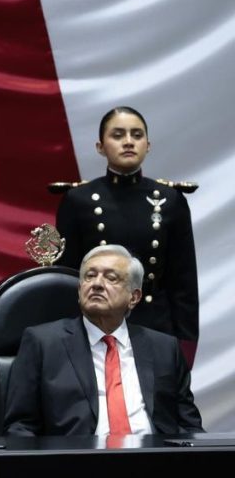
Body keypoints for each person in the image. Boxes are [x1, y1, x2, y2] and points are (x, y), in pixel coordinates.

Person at [3, 245, 202, 436]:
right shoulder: (43, 344)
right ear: (80, 290)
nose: (97, 284)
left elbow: (188, 424)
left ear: (134, 297)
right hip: (75, 463)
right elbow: (20, 427)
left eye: (111, 278)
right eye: (89, 276)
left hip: (154, 461)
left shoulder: (164, 348)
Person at [54, 106, 198, 363]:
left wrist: (185, 345)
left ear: (148, 145)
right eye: (118, 135)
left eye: (137, 135)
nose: (129, 142)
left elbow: (183, 282)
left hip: (156, 325)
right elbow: (66, 277)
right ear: (100, 146)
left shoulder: (170, 199)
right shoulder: (78, 200)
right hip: (94, 325)